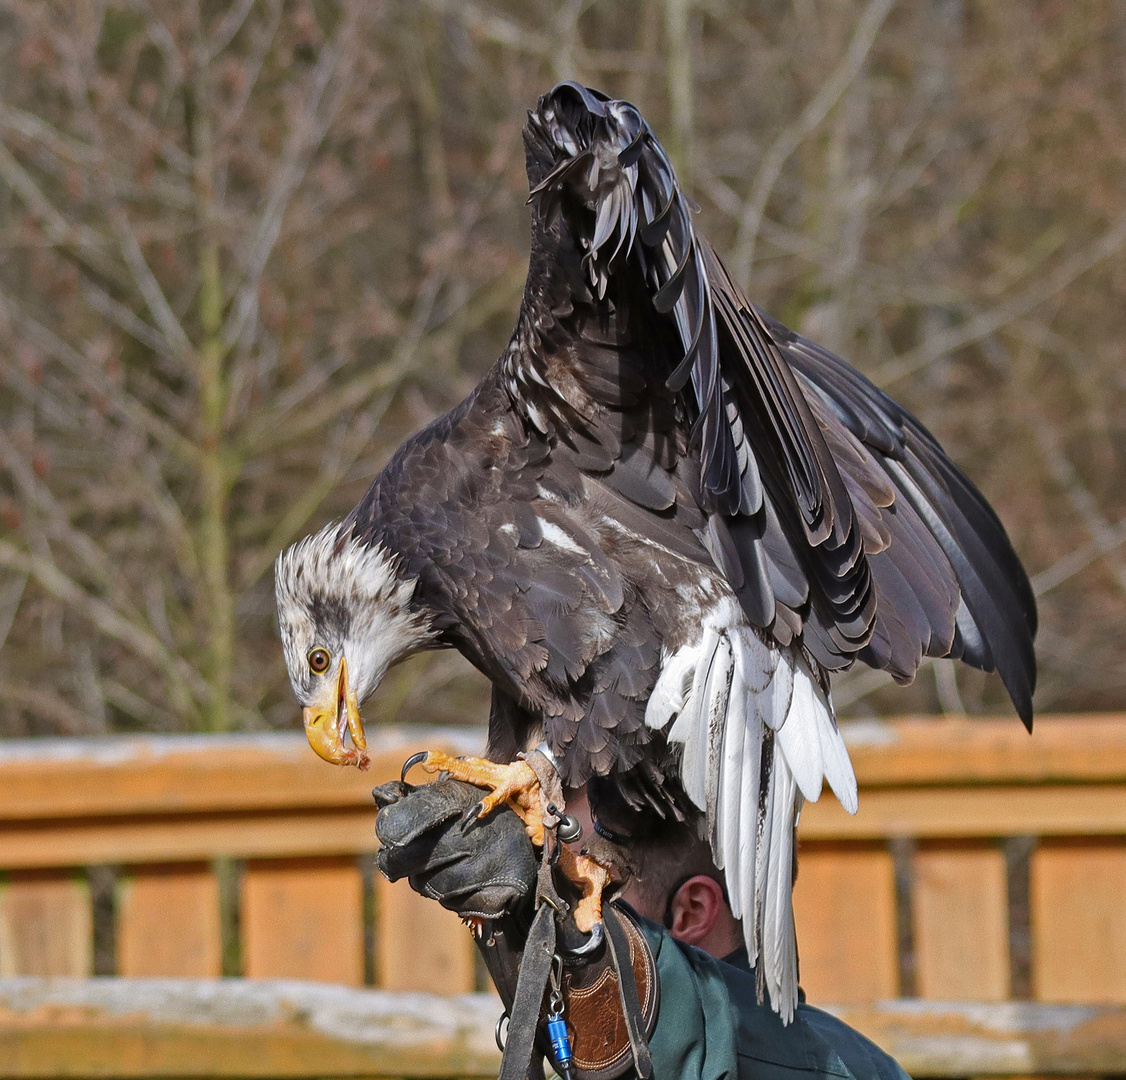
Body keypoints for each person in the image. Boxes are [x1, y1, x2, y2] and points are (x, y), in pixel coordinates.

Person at [373, 775, 910, 1080]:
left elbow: (700, 1036)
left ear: (692, 911)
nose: (555, 895)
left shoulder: (822, 1069)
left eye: (585, 879)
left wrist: (582, 948)